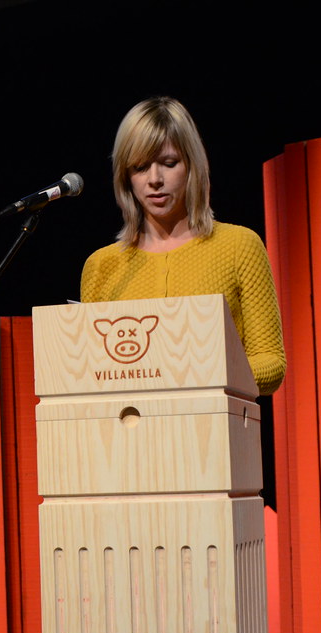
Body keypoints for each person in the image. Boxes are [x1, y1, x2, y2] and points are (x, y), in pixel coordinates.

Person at [80, 96, 286, 508]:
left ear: (192, 166)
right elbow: (89, 381)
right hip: (126, 471)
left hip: (213, 463)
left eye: (168, 163)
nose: (154, 179)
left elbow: (271, 366)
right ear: (126, 177)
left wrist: (192, 372)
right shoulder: (102, 266)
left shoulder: (238, 246)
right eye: (140, 167)